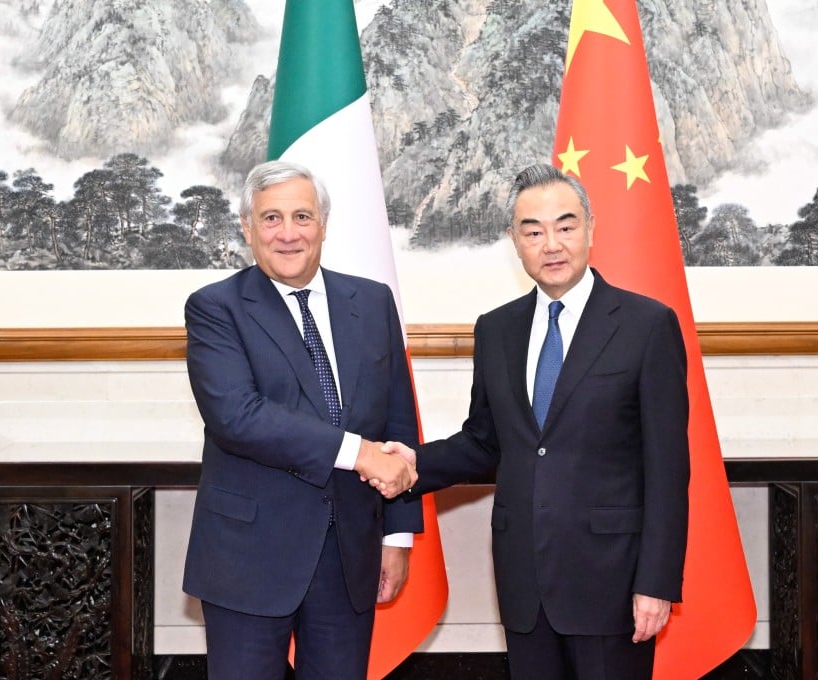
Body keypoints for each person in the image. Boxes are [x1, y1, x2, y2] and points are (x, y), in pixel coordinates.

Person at [385, 163, 690, 679]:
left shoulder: (647, 325)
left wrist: (656, 582)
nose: (551, 244)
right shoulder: (496, 329)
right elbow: (485, 442)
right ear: (514, 240)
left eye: (565, 226)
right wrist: (411, 463)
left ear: (591, 227)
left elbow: (668, 469)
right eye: (533, 231)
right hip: (525, 578)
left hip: (612, 582)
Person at [182, 160, 422, 680]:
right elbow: (238, 416)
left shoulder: (373, 301)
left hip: (349, 553)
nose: (287, 234)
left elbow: (398, 421)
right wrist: (357, 452)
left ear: (323, 225)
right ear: (247, 228)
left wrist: (397, 537)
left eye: (301, 217)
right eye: (270, 219)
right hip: (249, 557)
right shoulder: (215, 308)